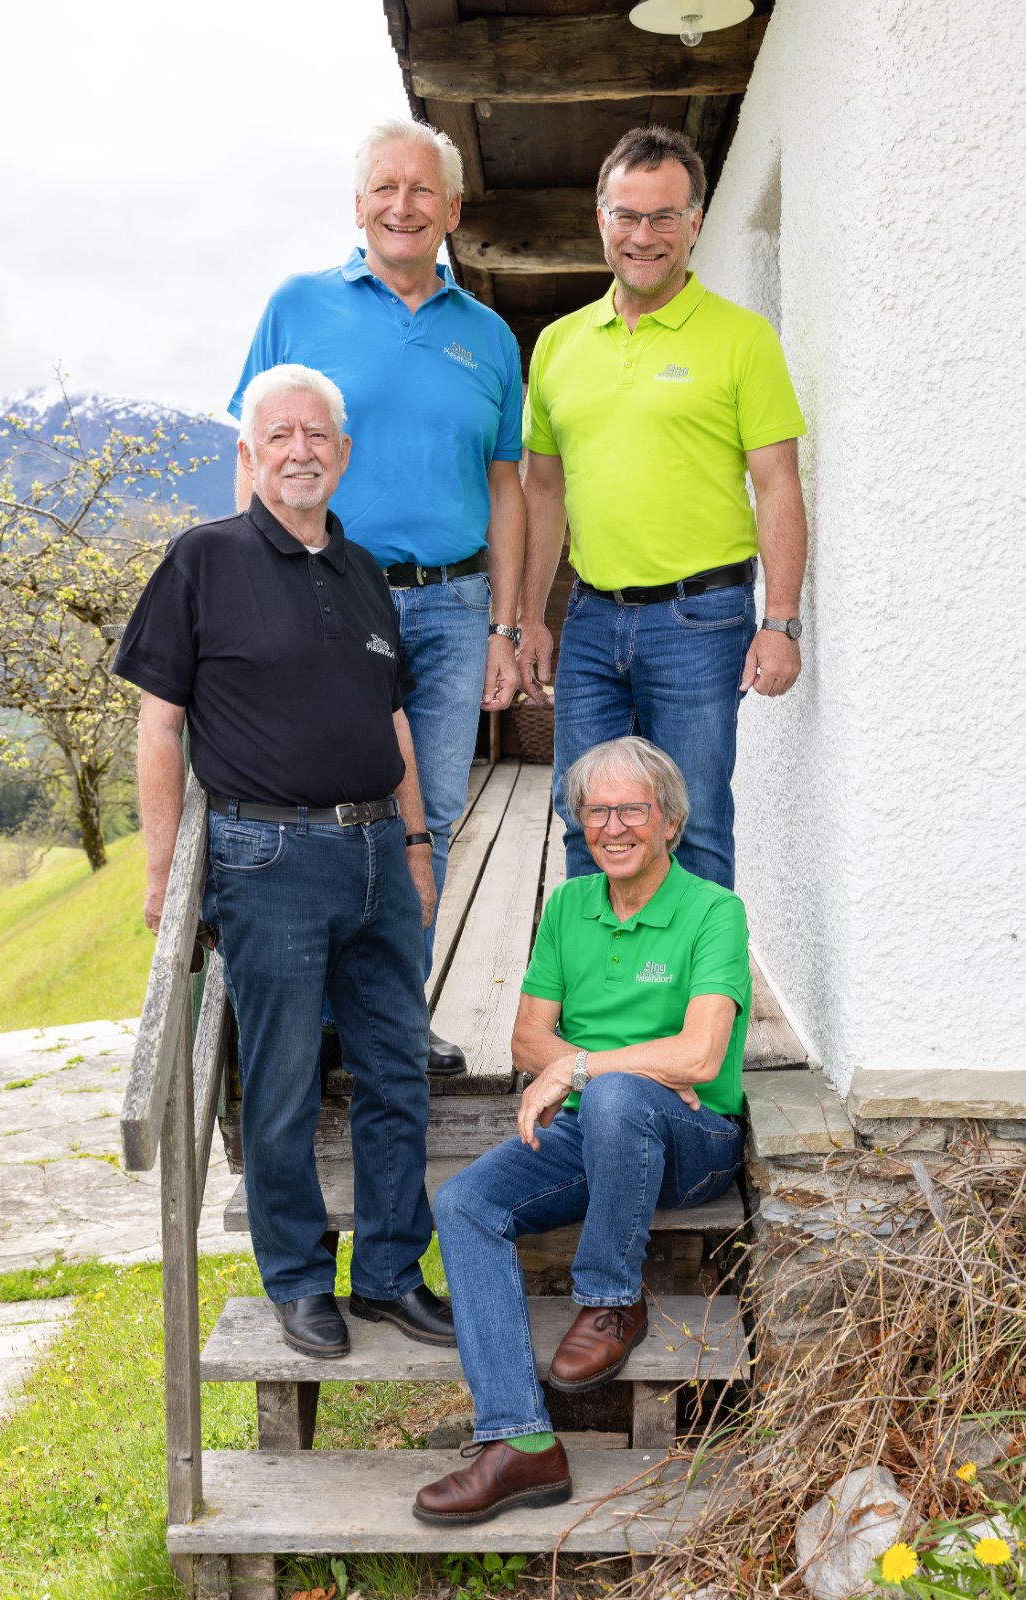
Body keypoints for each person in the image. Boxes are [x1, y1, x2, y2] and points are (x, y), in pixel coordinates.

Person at [113, 365, 455, 1358]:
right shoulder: (202, 559)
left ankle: (389, 1275)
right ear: (250, 454)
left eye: (317, 435)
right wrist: (164, 873)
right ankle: (300, 1281)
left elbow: (392, 719)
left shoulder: (362, 570)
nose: (300, 451)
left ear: (342, 453)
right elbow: (160, 726)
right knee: (282, 1085)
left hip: (376, 854)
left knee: (396, 1074)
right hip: (268, 857)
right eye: (279, 436)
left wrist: (416, 844)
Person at [229, 117, 526, 1076]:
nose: (404, 205)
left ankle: (394, 1018)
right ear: (358, 206)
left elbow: (507, 485)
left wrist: (507, 624)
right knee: (320, 803)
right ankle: (320, 1026)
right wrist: (250, 591)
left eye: (423, 189)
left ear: (453, 209)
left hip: (452, 606)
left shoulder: (487, 336)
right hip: (324, 596)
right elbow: (254, 453)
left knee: (428, 813)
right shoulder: (297, 304)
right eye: (385, 189)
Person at [413, 737, 750, 1525]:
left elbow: (699, 1058)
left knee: (618, 1096)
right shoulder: (569, 906)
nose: (612, 826)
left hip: (694, 1142)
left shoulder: (713, 911)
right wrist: (593, 1071)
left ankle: (609, 1299)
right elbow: (525, 1041)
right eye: (596, 812)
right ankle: (520, 1443)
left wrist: (581, 1070)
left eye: (631, 809)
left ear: (669, 821)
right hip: (593, 1127)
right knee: (464, 1202)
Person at [518, 125, 808, 891]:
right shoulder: (557, 345)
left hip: (700, 623)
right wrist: (528, 618)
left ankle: (702, 978)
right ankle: (601, 973)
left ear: (695, 223)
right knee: (585, 816)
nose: (642, 236)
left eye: (663, 217)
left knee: (695, 822)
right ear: (600, 218)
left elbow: (778, 482)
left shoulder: (742, 339)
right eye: (626, 215)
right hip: (589, 620)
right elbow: (541, 489)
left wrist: (781, 621)